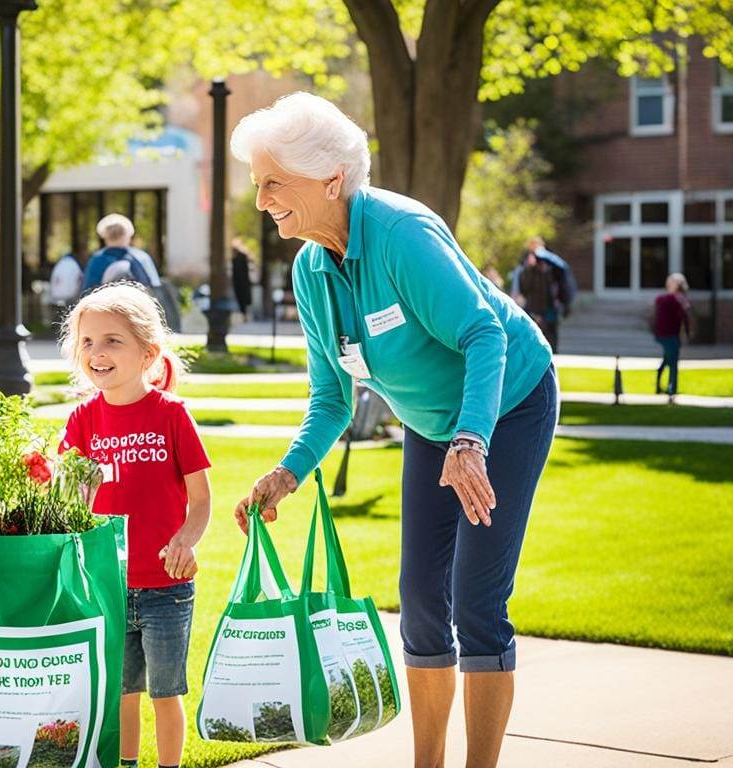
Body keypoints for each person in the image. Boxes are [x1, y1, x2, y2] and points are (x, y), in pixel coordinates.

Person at [230, 93, 557, 768]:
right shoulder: (311, 270)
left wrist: (471, 441)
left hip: (508, 404)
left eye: (273, 183)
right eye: (258, 184)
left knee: (477, 601)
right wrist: (287, 473)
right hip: (435, 427)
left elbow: (484, 333)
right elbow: (332, 398)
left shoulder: (401, 234)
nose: (261, 201)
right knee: (421, 601)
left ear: (331, 180)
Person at [57, 282, 211, 768]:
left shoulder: (172, 415)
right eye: (87, 341)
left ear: (147, 353)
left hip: (166, 587)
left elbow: (201, 500)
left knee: (165, 694)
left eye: (112, 341)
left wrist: (186, 540)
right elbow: (69, 501)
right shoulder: (82, 421)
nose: (97, 353)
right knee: (121, 695)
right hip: (107, 586)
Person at [652, 272, 692, 401]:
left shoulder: (664, 299)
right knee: (673, 362)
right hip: (669, 335)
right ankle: (671, 389)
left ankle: (660, 386)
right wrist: (687, 332)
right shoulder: (676, 299)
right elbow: (685, 316)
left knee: (668, 360)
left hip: (666, 335)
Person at [515, 250, 563, 352]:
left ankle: (551, 350)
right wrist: (529, 269)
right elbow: (524, 288)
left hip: (546, 307)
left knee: (549, 330)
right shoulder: (526, 272)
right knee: (532, 330)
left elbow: (549, 289)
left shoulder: (545, 272)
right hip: (532, 307)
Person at [231, 237, 254, 317]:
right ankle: (243, 313)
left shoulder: (241, 256)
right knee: (241, 298)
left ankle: (244, 313)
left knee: (242, 298)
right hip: (240, 282)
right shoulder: (236, 257)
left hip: (242, 281)